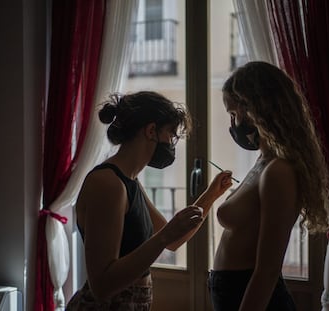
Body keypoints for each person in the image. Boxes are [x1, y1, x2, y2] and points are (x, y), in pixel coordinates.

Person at [66, 91, 233, 310]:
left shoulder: (130, 181)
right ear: (151, 131)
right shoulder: (107, 184)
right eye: (171, 135)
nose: (172, 144)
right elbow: (102, 286)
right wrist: (164, 236)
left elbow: (173, 240)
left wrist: (211, 195)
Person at [208, 61, 329, 311]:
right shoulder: (264, 162)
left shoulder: (279, 171)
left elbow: (267, 271)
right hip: (234, 291)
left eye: (234, 114)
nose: (233, 124)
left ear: (256, 110)